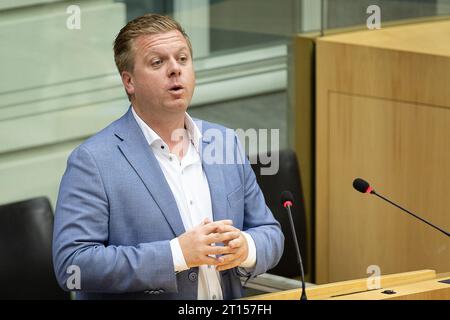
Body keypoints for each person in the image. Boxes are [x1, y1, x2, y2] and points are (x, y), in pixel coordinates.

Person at [52, 13, 284, 300]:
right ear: (129, 82)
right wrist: (177, 254)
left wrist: (246, 247)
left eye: (182, 59)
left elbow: (270, 233)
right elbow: (73, 265)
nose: (175, 70)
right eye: (157, 62)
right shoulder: (93, 161)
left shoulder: (224, 141)